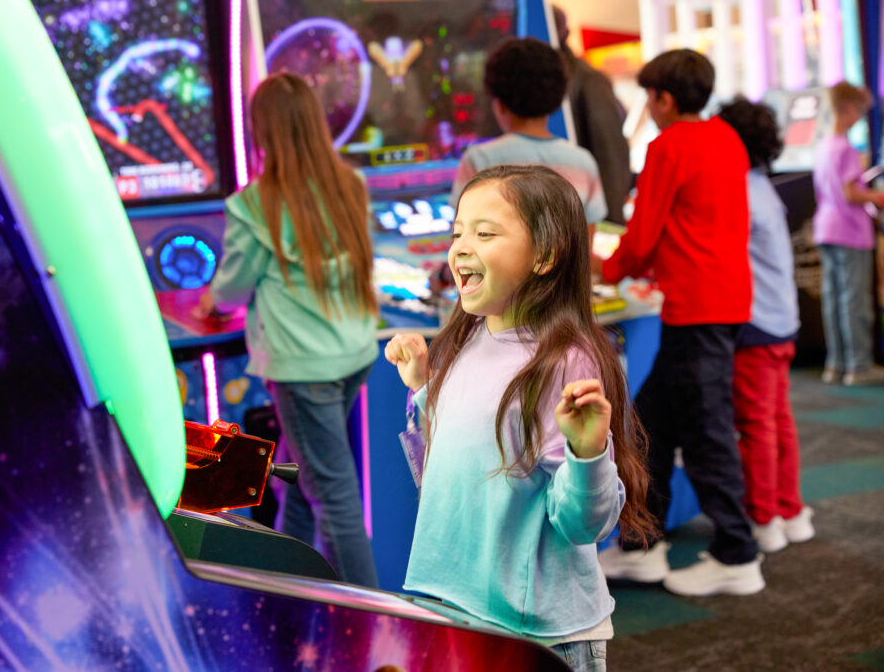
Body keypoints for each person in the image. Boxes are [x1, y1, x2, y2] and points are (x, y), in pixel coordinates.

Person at [386, 165, 655, 670]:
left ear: (546, 255)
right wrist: (424, 390)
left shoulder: (562, 360)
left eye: (485, 234)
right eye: (457, 232)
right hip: (458, 609)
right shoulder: (468, 339)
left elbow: (585, 527)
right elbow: (439, 475)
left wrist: (589, 451)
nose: (462, 246)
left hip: (536, 636)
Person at [194, 72, 380, 587]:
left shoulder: (254, 205)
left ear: (262, 134)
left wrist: (209, 298)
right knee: (302, 481)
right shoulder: (350, 184)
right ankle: (289, 588)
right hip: (352, 353)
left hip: (305, 368)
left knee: (335, 499)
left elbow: (229, 293)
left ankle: (375, 630)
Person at [593, 49, 765, 596]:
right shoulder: (726, 139)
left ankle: (737, 554)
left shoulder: (669, 146)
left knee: (707, 432)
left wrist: (601, 265)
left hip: (697, 308)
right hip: (721, 302)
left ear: (663, 98)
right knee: (653, 426)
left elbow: (642, 239)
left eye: (650, 97)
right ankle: (644, 546)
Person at [718, 96, 815, 553]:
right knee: (777, 419)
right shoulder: (761, 185)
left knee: (757, 423)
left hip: (756, 322)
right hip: (782, 318)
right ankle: (788, 508)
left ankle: (765, 519)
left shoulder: (736, 188)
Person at [448, 36, 607, 230]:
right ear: (558, 95)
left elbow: (464, 241)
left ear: (499, 103)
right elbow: (585, 247)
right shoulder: (583, 162)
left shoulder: (480, 160)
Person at [812, 82, 884, 386]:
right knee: (854, 300)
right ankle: (858, 365)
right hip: (850, 231)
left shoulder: (824, 144)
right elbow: (850, 191)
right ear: (850, 108)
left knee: (834, 299)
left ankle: (837, 363)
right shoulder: (845, 148)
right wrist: (877, 198)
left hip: (826, 228)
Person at [551, 4, 633, 225]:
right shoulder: (557, 77)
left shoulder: (587, 80)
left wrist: (611, 221)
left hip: (588, 214)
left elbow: (610, 155)